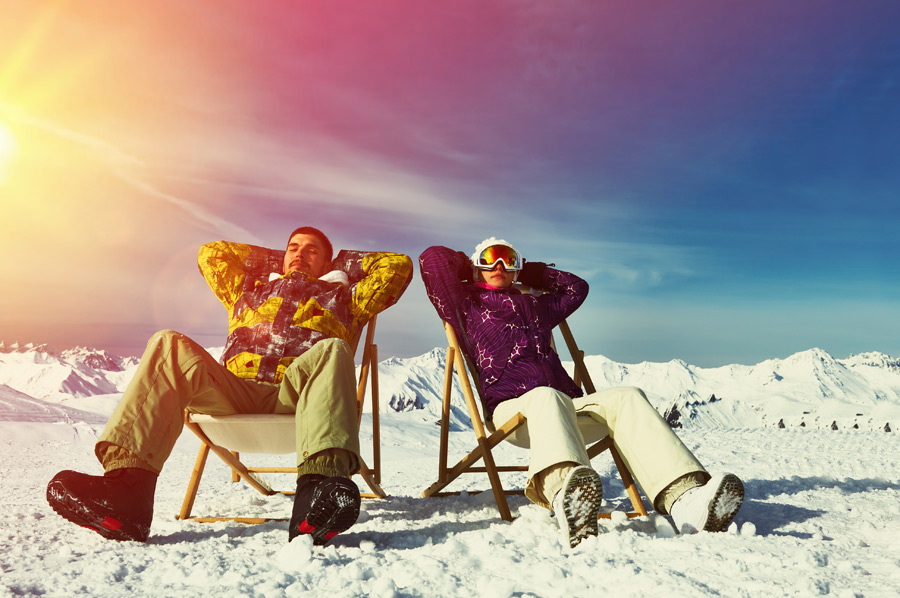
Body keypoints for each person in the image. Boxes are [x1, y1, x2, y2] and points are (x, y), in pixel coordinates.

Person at [47, 227, 413, 545]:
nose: (300, 253)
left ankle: (317, 495)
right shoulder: (246, 290)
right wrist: (284, 263)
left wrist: (336, 266)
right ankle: (126, 495)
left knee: (333, 348)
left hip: (299, 397)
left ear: (329, 262)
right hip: (235, 391)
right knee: (168, 343)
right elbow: (212, 253)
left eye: (312, 250)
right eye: (293, 247)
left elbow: (398, 266)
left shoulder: (347, 296)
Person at [419, 238, 744, 548]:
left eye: (509, 260)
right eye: (490, 259)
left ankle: (687, 500)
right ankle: (564, 496)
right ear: (477, 265)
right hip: (514, 412)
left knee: (627, 395)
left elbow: (577, 287)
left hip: (568, 406)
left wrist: (532, 271)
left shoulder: (537, 305)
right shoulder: (464, 305)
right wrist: (468, 266)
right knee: (547, 395)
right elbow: (432, 258)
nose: (499, 265)